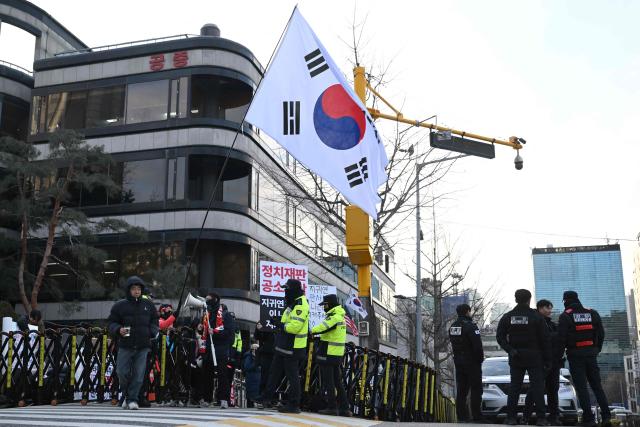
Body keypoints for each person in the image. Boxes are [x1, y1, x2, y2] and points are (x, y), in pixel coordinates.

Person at [496, 289, 551, 426]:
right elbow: (545, 339)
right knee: (538, 388)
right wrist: (548, 360)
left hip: (516, 357)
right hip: (535, 357)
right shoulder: (536, 317)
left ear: (515, 299)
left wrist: (510, 349)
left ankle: (511, 418)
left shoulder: (508, 316)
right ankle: (541, 419)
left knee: (514, 388)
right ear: (529, 300)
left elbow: (500, 337)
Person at [557, 291, 610, 427]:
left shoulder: (565, 316)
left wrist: (558, 356)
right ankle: (606, 417)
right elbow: (601, 333)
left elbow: (561, 339)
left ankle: (589, 419)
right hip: (591, 355)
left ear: (565, 301)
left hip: (575, 356)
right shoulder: (592, 313)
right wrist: (596, 349)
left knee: (582, 388)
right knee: (597, 386)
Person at [257, 279, 309, 414]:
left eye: (287, 289)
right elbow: (287, 321)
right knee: (274, 373)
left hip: (293, 347)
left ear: (294, 290)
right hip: (283, 345)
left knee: (292, 376)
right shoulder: (292, 303)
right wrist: (278, 321)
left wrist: (279, 324)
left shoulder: (301, 305)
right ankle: (266, 398)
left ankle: (294, 404)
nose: (285, 292)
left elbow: (294, 327)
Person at [108, 276, 159, 410]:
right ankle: (126, 396)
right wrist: (118, 329)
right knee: (121, 372)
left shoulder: (148, 305)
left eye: (138, 289)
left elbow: (155, 320)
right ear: (128, 290)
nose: (136, 291)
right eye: (133, 289)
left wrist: (152, 332)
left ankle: (132, 400)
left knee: (138, 375)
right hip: (125, 344)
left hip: (143, 345)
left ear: (141, 290)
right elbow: (111, 323)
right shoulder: (120, 305)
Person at [311, 294, 352, 417]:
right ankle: (345, 408)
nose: (324, 307)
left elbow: (323, 327)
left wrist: (311, 331)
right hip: (336, 353)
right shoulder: (340, 316)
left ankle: (332, 407)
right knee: (337, 382)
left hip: (328, 352)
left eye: (325, 305)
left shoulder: (334, 317)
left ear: (331, 304)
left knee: (329, 381)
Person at [523, 299, 562, 425]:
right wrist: (555, 336)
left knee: (553, 389)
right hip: (539, 361)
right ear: (540, 308)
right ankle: (526, 416)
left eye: (551, 308)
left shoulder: (551, 324)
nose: (550, 311)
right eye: (547, 308)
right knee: (535, 389)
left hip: (554, 361)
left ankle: (554, 416)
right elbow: (540, 339)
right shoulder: (534, 321)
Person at [448, 303, 484, 423]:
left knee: (462, 390)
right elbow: (477, 346)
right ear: (468, 311)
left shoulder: (453, 327)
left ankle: (462, 416)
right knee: (476, 389)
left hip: (458, 361)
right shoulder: (471, 326)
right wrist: (479, 359)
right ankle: (476, 416)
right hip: (471, 361)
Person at [202, 294, 235, 409]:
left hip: (221, 349)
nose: (208, 301)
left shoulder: (226, 316)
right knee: (207, 374)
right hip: (209, 349)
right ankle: (207, 399)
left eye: (209, 299)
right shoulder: (207, 314)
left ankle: (223, 399)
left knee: (222, 375)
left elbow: (230, 334)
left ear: (216, 300)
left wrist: (215, 332)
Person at [254, 320, 275, 399]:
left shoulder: (281, 320)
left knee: (273, 377)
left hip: (276, 353)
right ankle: (263, 396)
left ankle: (271, 397)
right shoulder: (262, 321)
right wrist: (259, 329)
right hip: (266, 353)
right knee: (265, 376)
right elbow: (257, 336)